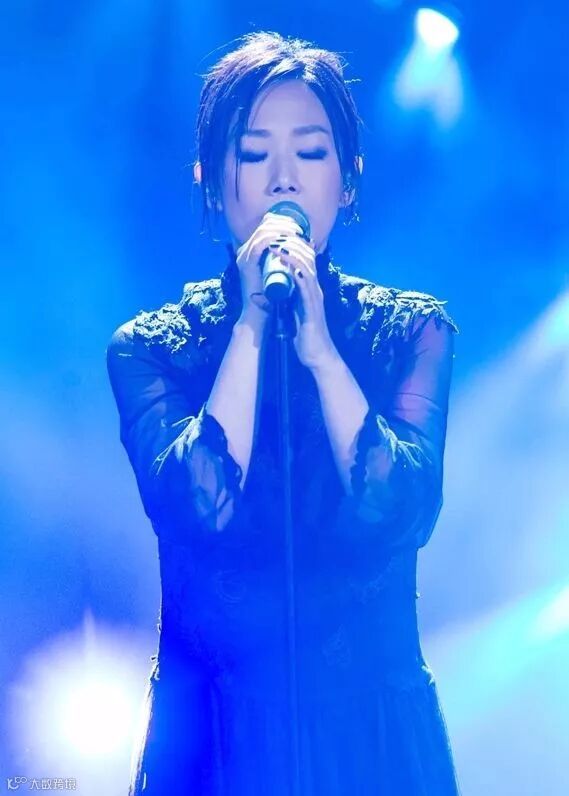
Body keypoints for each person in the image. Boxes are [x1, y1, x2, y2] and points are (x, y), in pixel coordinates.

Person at [107, 30, 461, 796]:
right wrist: (249, 325)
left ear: (347, 180)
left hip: (370, 741)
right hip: (214, 740)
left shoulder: (406, 334)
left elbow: (400, 508)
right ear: (211, 181)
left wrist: (323, 355)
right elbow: (197, 507)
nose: (282, 178)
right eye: (252, 152)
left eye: (309, 151)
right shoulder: (154, 350)